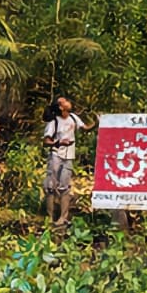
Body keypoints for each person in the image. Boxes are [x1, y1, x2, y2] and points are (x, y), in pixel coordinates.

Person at [42, 96, 86, 231]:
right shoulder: (54, 122)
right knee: (51, 186)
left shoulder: (73, 118)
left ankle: (63, 217)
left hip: (69, 156)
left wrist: (97, 123)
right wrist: (58, 142)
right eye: (65, 101)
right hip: (56, 155)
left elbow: (85, 128)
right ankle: (49, 217)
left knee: (65, 187)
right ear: (61, 107)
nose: (68, 102)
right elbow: (46, 141)